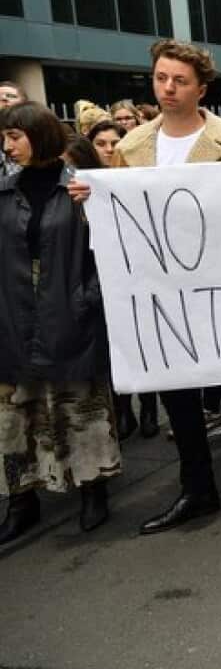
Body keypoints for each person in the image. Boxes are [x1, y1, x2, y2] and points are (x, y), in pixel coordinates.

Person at [69, 39, 221, 538]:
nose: (169, 88)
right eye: (161, 78)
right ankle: (197, 488)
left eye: (180, 80)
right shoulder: (132, 149)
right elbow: (118, 223)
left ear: (202, 87)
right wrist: (90, 199)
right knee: (178, 393)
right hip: (160, 291)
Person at [0, 102, 119, 545]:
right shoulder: (4, 194)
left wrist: (84, 301)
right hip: (15, 319)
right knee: (16, 418)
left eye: (15, 136)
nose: (7, 146)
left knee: (78, 407)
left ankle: (92, 489)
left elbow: (103, 254)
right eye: (5, 137)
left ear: (40, 135)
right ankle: (21, 499)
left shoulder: (81, 191)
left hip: (68, 315)